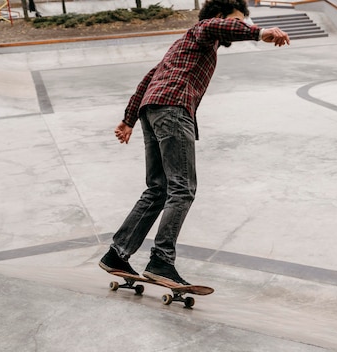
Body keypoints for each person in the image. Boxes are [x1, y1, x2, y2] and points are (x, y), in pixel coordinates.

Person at [99, 0, 290, 286]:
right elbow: (215, 25)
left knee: (158, 189)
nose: (237, 29)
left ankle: (117, 254)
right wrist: (257, 32)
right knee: (182, 188)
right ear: (220, 17)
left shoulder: (182, 45)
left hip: (152, 111)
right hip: (174, 110)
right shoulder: (203, 31)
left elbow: (148, 79)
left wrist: (129, 120)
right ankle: (161, 261)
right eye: (236, 22)